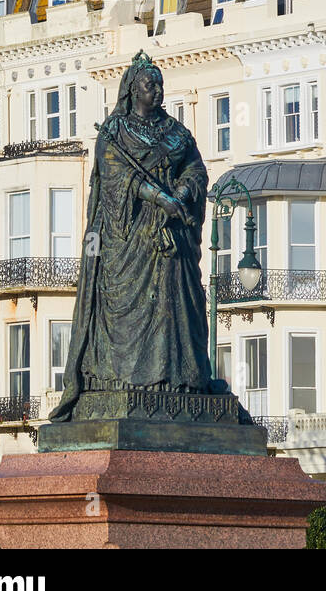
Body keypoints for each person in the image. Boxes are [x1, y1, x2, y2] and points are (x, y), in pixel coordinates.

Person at [48, 50, 216, 421]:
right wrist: (160, 198)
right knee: (131, 309)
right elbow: (116, 178)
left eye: (159, 84)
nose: (156, 91)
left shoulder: (176, 132)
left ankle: (178, 380)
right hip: (129, 240)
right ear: (131, 89)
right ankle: (126, 382)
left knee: (176, 304)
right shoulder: (114, 133)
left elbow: (196, 170)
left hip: (171, 241)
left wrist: (183, 194)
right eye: (148, 84)